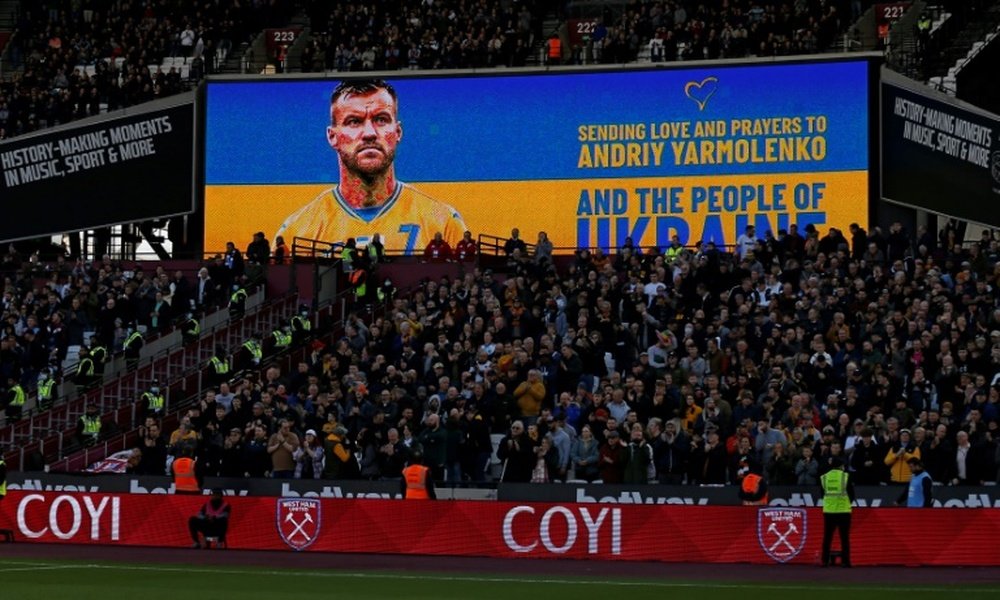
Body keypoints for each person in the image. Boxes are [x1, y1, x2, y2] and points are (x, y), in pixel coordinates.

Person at [275, 79, 466, 254]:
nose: (369, 133)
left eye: (381, 119)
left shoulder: (443, 221)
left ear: (397, 132)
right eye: (354, 122)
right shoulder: (297, 231)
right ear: (332, 136)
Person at [819, 457, 855, 567]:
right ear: (841, 466)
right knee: (844, 537)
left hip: (829, 511)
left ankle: (824, 561)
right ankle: (846, 562)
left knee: (827, 537)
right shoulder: (845, 476)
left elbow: (822, 494)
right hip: (843, 510)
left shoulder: (824, 477)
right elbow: (851, 494)